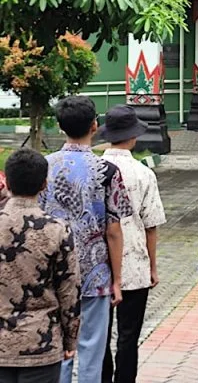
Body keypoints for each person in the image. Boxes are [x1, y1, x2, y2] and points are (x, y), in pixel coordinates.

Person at [39, 96, 133, 383]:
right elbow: (114, 229)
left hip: (53, 274)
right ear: (95, 125)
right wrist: (117, 280)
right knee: (92, 351)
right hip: (95, 275)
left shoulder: (44, 166)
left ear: (59, 126)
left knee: (59, 348)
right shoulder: (108, 171)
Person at [0, 148, 80, 383]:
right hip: (41, 344)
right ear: (45, 184)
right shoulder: (57, 229)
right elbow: (69, 291)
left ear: (8, 181)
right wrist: (70, 339)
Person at [99, 106, 166, 383]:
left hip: (97, 265)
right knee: (129, 335)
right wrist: (152, 266)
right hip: (134, 262)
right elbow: (151, 225)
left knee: (99, 335)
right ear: (133, 137)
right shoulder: (142, 173)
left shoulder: (94, 169)